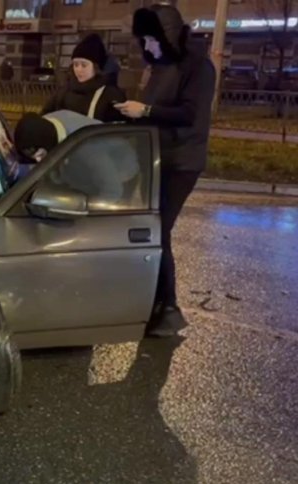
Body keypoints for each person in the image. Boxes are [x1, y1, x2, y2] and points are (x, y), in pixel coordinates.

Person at [114, 4, 216, 337]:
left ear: (169, 36)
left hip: (182, 160)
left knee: (159, 230)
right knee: (152, 228)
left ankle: (169, 309)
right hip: (158, 156)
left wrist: (145, 111)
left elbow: (189, 114)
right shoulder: (161, 66)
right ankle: (156, 303)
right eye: (144, 40)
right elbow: (154, 111)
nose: (148, 47)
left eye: (152, 40)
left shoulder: (199, 67)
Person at [13, 110, 139, 204]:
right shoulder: (46, 124)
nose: (38, 161)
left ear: (49, 142)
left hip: (119, 176)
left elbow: (113, 191)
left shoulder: (85, 147)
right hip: (86, 167)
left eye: (41, 155)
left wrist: (89, 213)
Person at [42, 34, 127, 122]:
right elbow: (45, 116)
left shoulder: (111, 95)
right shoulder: (64, 90)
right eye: (76, 65)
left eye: (84, 65)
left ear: (96, 67)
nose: (79, 70)